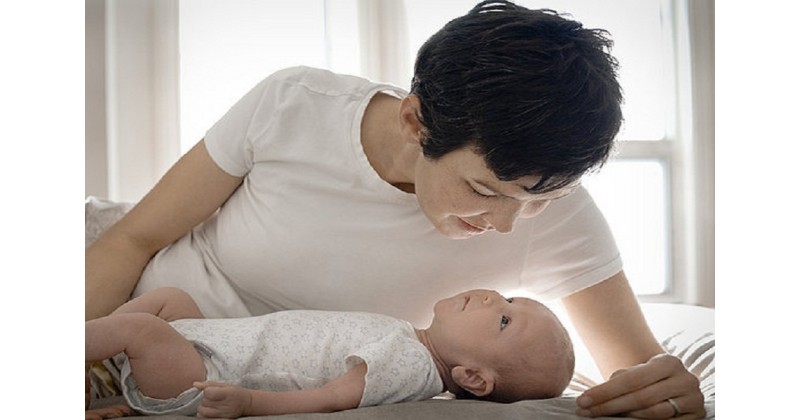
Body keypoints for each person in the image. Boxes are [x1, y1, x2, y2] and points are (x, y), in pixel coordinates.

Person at [85, 1, 705, 418]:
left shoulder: (557, 210)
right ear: (415, 122)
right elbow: (132, 238)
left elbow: (636, 366)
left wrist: (667, 388)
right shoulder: (293, 105)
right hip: (126, 335)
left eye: (542, 201)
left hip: (224, 392)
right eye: (484, 191)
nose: (505, 224)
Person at [85, 287, 574, 418]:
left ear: (473, 378)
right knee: (170, 299)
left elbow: (331, 398)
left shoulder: (412, 366)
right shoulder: (410, 339)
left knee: (140, 329)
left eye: (504, 319)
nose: (492, 299)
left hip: (203, 374)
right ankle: (94, 370)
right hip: (215, 342)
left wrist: (249, 402)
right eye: (509, 297)